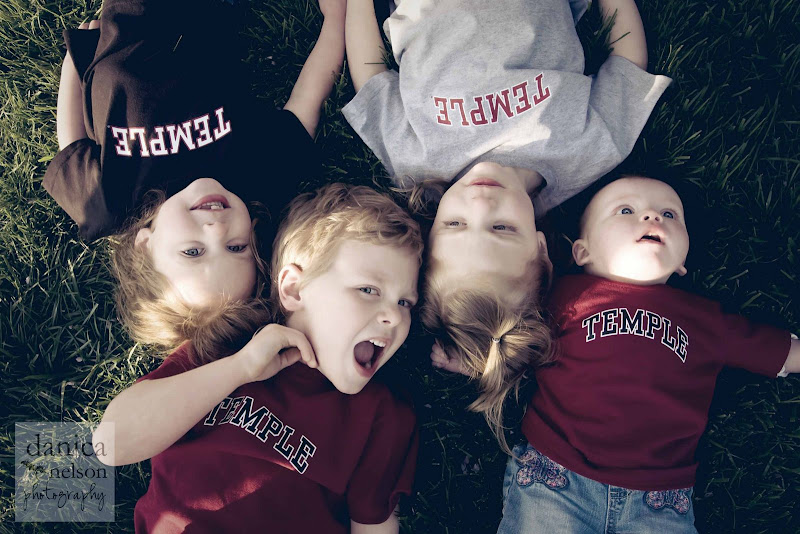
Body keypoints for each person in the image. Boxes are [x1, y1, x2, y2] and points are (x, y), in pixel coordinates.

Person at [342, 0, 672, 445]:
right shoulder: (583, 152)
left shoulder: (416, 163)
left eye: (454, 224)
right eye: (502, 229)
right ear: (541, 248)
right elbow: (629, 65)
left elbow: (370, 80)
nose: (480, 203)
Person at [93, 183, 425, 533]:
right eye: (368, 290)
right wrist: (240, 369)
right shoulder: (221, 349)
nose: (395, 316)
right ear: (294, 289)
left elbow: (373, 526)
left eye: (405, 302)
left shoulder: (383, 415)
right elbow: (110, 444)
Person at [476, 176, 798, 533]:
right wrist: (471, 357)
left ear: (682, 261)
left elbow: (771, 349)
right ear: (583, 252)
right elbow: (513, 337)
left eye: (669, 214)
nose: (652, 217)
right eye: (626, 210)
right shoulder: (565, 296)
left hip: (659, 496)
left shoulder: (706, 319)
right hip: (558, 471)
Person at [43, 0, 346, 359]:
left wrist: (76, 63)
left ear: (144, 247)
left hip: (128, 22)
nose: (217, 230)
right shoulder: (258, 175)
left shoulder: (108, 203)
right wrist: (335, 20)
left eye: (192, 252)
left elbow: (72, 144)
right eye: (237, 247)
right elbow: (308, 99)